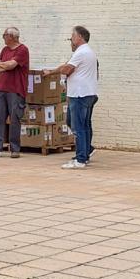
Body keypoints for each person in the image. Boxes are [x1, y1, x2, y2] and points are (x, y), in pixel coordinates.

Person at [45, 25, 99, 170]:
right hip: (87, 93)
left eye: (72, 36)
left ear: (80, 37)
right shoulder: (88, 52)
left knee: (78, 127)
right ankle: (86, 151)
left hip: (80, 94)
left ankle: (80, 159)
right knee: (83, 125)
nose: (71, 39)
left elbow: (67, 69)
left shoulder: (81, 52)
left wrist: (56, 71)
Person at [0, 26, 29, 159]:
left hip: (16, 89)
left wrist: (3, 65)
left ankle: (15, 148)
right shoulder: (5, 49)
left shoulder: (23, 49)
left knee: (15, 119)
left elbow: (11, 65)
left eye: (4, 35)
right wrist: (3, 65)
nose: (3, 37)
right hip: (1, 88)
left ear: (11, 36)